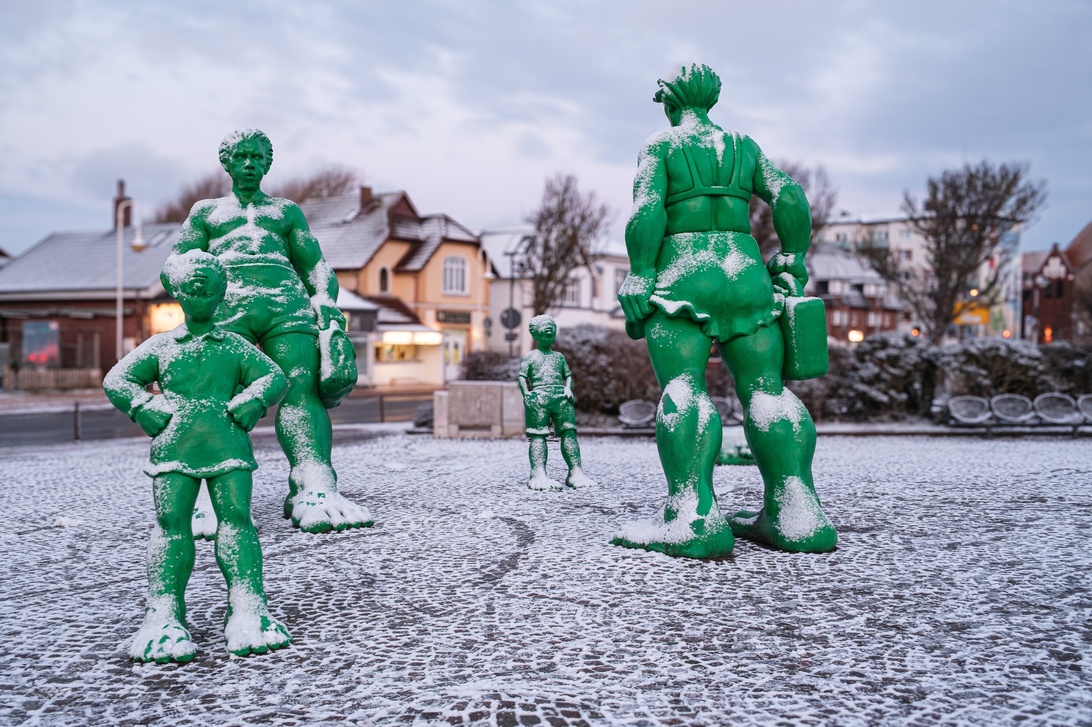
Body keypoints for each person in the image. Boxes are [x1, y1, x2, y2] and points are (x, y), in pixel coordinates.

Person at [614, 64, 837, 557]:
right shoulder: (743, 146)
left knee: (683, 387)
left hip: (682, 274)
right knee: (766, 389)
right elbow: (789, 194)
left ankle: (694, 518)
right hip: (745, 272)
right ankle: (798, 514)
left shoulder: (662, 145)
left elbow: (647, 208)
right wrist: (793, 256)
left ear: (671, 103)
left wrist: (641, 271)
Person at [170, 128, 371, 534]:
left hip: (285, 303)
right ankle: (210, 491)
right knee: (215, 395)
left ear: (267, 164)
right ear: (227, 163)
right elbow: (176, 262)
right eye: (241, 156)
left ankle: (314, 484)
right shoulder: (206, 212)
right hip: (228, 303)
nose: (249, 164)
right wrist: (190, 288)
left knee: (301, 388)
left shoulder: (285, 211)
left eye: (257, 157)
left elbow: (315, 264)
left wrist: (324, 299)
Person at [104, 250, 291, 662]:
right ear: (178, 294)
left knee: (237, 521)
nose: (200, 296)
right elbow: (117, 379)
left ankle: (247, 605)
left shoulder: (235, 346)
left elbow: (274, 376)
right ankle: (164, 612)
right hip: (174, 448)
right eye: (192, 289)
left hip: (228, 446)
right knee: (172, 526)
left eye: (208, 289)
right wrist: (142, 405)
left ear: (221, 294)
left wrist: (254, 400)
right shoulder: (162, 346)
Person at [517, 315, 596, 490]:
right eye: (545, 332)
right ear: (535, 335)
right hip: (538, 398)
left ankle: (576, 471)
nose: (549, 336)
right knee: (538, 435)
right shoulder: (530, 357)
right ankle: (538, 473)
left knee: (569, 432)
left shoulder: (559, 357)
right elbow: (522, 377)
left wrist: (568, 389)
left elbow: (567, 375)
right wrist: (527, 394)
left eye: (552, 332)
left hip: (561, 397)